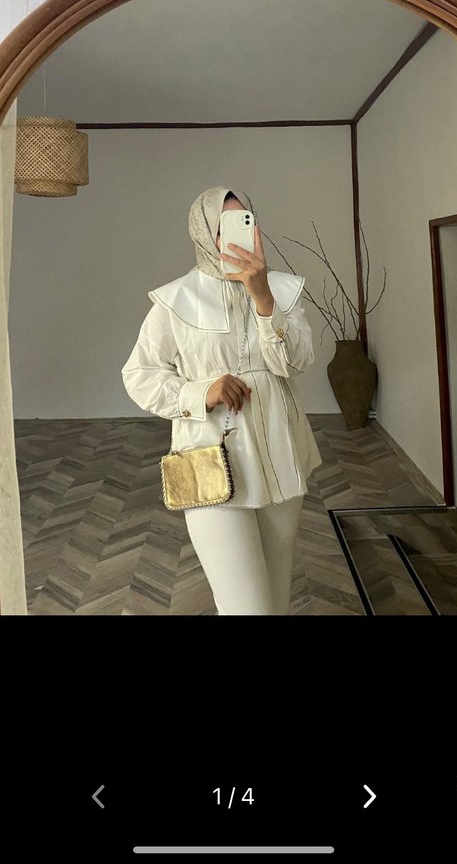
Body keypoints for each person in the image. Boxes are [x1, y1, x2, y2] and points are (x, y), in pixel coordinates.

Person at [121, 186, 323, 615]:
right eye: (223, 227)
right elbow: (139, 375)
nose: (236, 235)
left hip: (281, 458)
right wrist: (201, 391)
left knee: (276, 600)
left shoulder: (282, 291)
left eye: (244, 221)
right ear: (202, 232)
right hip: (211, 462)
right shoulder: (175, 301)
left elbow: (296, 362)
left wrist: (263, 297)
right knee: (247, 607)